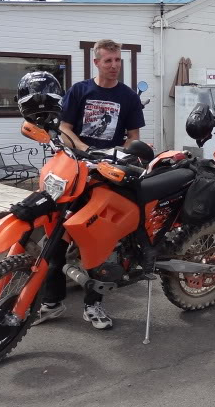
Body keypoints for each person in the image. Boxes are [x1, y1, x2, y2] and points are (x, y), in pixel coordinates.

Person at [34, 39, 146, 330]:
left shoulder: (128, 97)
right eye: (108, 60)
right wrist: (84, 149)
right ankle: (52, 302)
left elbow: (133, 136)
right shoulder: (80, 91)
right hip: (74, 168)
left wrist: (128, 153)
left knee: (100, 238)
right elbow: (64, 128)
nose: (114, 65)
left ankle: (93, 305)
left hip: (108, 172)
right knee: (55, 236)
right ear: (96, 62)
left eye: (118, 60)